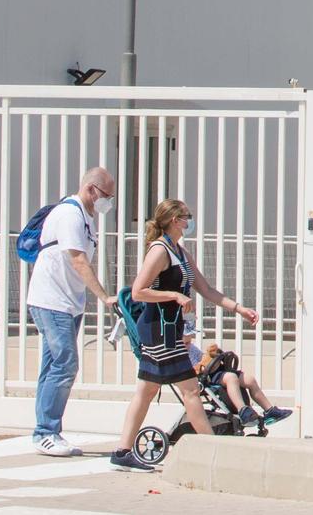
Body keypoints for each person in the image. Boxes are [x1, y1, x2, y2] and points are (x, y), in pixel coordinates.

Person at [111, 199, 260, 472]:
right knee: (191, 390)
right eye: (186, 217)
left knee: (146, 390)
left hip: (169, 329)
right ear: (173, 220)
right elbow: (138, 291)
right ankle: (210, 452)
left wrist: (239, 309)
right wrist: (174, 295)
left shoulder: (179, 252)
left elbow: (206, 289)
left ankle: (122, 452)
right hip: (160, 330)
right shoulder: (159, 251)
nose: (189, 222)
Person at [24, 166, 114, 456]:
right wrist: (103, 297)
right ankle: (46, 432)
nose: (107, 202)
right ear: (91, 189)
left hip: (68, 302)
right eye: (106, 195)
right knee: (65, 364)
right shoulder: (69, 215)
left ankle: (45, 430)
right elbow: (78, 260)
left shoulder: (86, 217)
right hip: (52, 301)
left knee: (52, 365)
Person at [186, 320, 291, 429]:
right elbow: (193, 370)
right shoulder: (179, 353)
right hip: (204, 377)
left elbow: (203, 358)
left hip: (214, 371)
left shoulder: (192, 348)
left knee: (249, 379)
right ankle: (242, 410)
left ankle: (269, 410)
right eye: (185, 342)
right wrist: (202, 367)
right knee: (231, 378)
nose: (188, 344)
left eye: (189, 340)